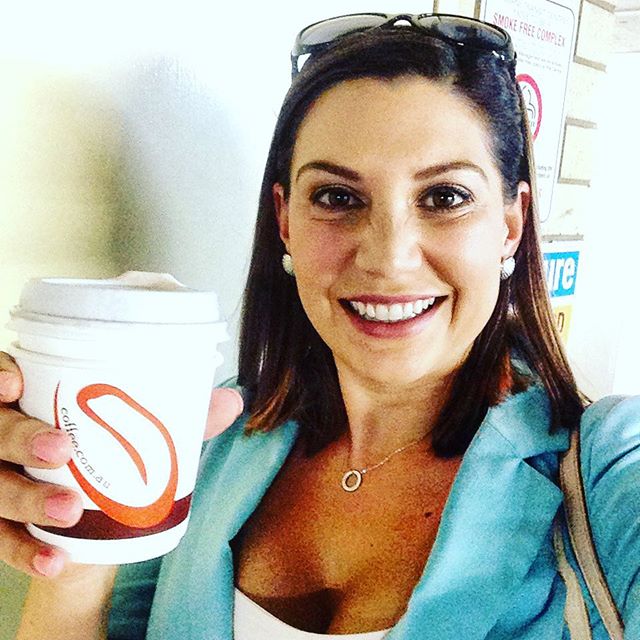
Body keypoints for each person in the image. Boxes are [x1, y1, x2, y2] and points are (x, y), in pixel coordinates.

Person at [1, 12, 638, 640]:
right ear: (285, 221)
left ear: (510, 225)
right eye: (337, 197)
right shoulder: (201, 437)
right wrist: (73, 539)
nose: (388, 258)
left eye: (444, 197)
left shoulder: (607, 467)